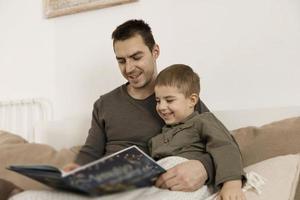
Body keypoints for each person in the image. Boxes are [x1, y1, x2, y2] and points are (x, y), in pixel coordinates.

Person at [63, 19, 215, 191]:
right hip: (108, 185)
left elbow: (222, 142)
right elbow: (91, 152)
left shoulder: (179, 100)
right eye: (121, 61)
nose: (128, 69)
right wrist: (74, 171)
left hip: (153, 185)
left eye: (136, 57)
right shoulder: (103, 104)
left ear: (155, 51)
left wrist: (204, 167)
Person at [149, 64, 246, 199]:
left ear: (192, 100)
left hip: (189, 184)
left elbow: (225, 147)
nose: (161, 107)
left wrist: (232, 184)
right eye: (158, 101)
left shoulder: (203, 121)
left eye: (169, 100)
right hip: (164, 183)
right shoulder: (158, 138)